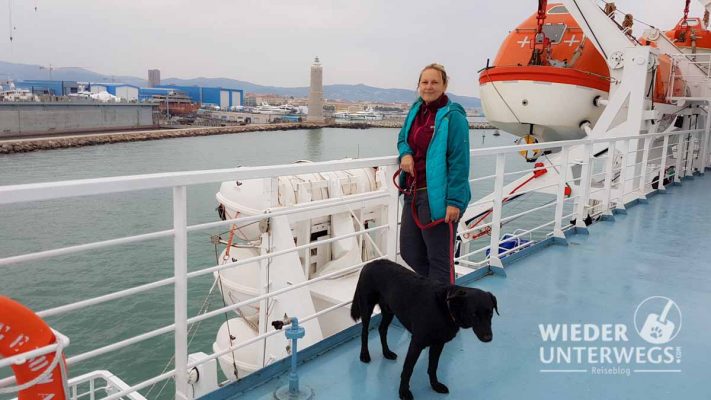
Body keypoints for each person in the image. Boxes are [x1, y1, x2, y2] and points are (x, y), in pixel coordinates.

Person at [397, 63, 471, 284]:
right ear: (419, 85)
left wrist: (454, 201)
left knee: (439, 260)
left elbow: (460, 161)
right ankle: (437, 295)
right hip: (413, 192)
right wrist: (406, 154)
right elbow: (402, 139)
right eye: (425, 82)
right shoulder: (415, 111)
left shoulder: (452, 117)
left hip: (438, 196)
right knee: (410, 252)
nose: (429, 87)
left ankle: (444, 309)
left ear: (444, 85)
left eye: (435, 82)